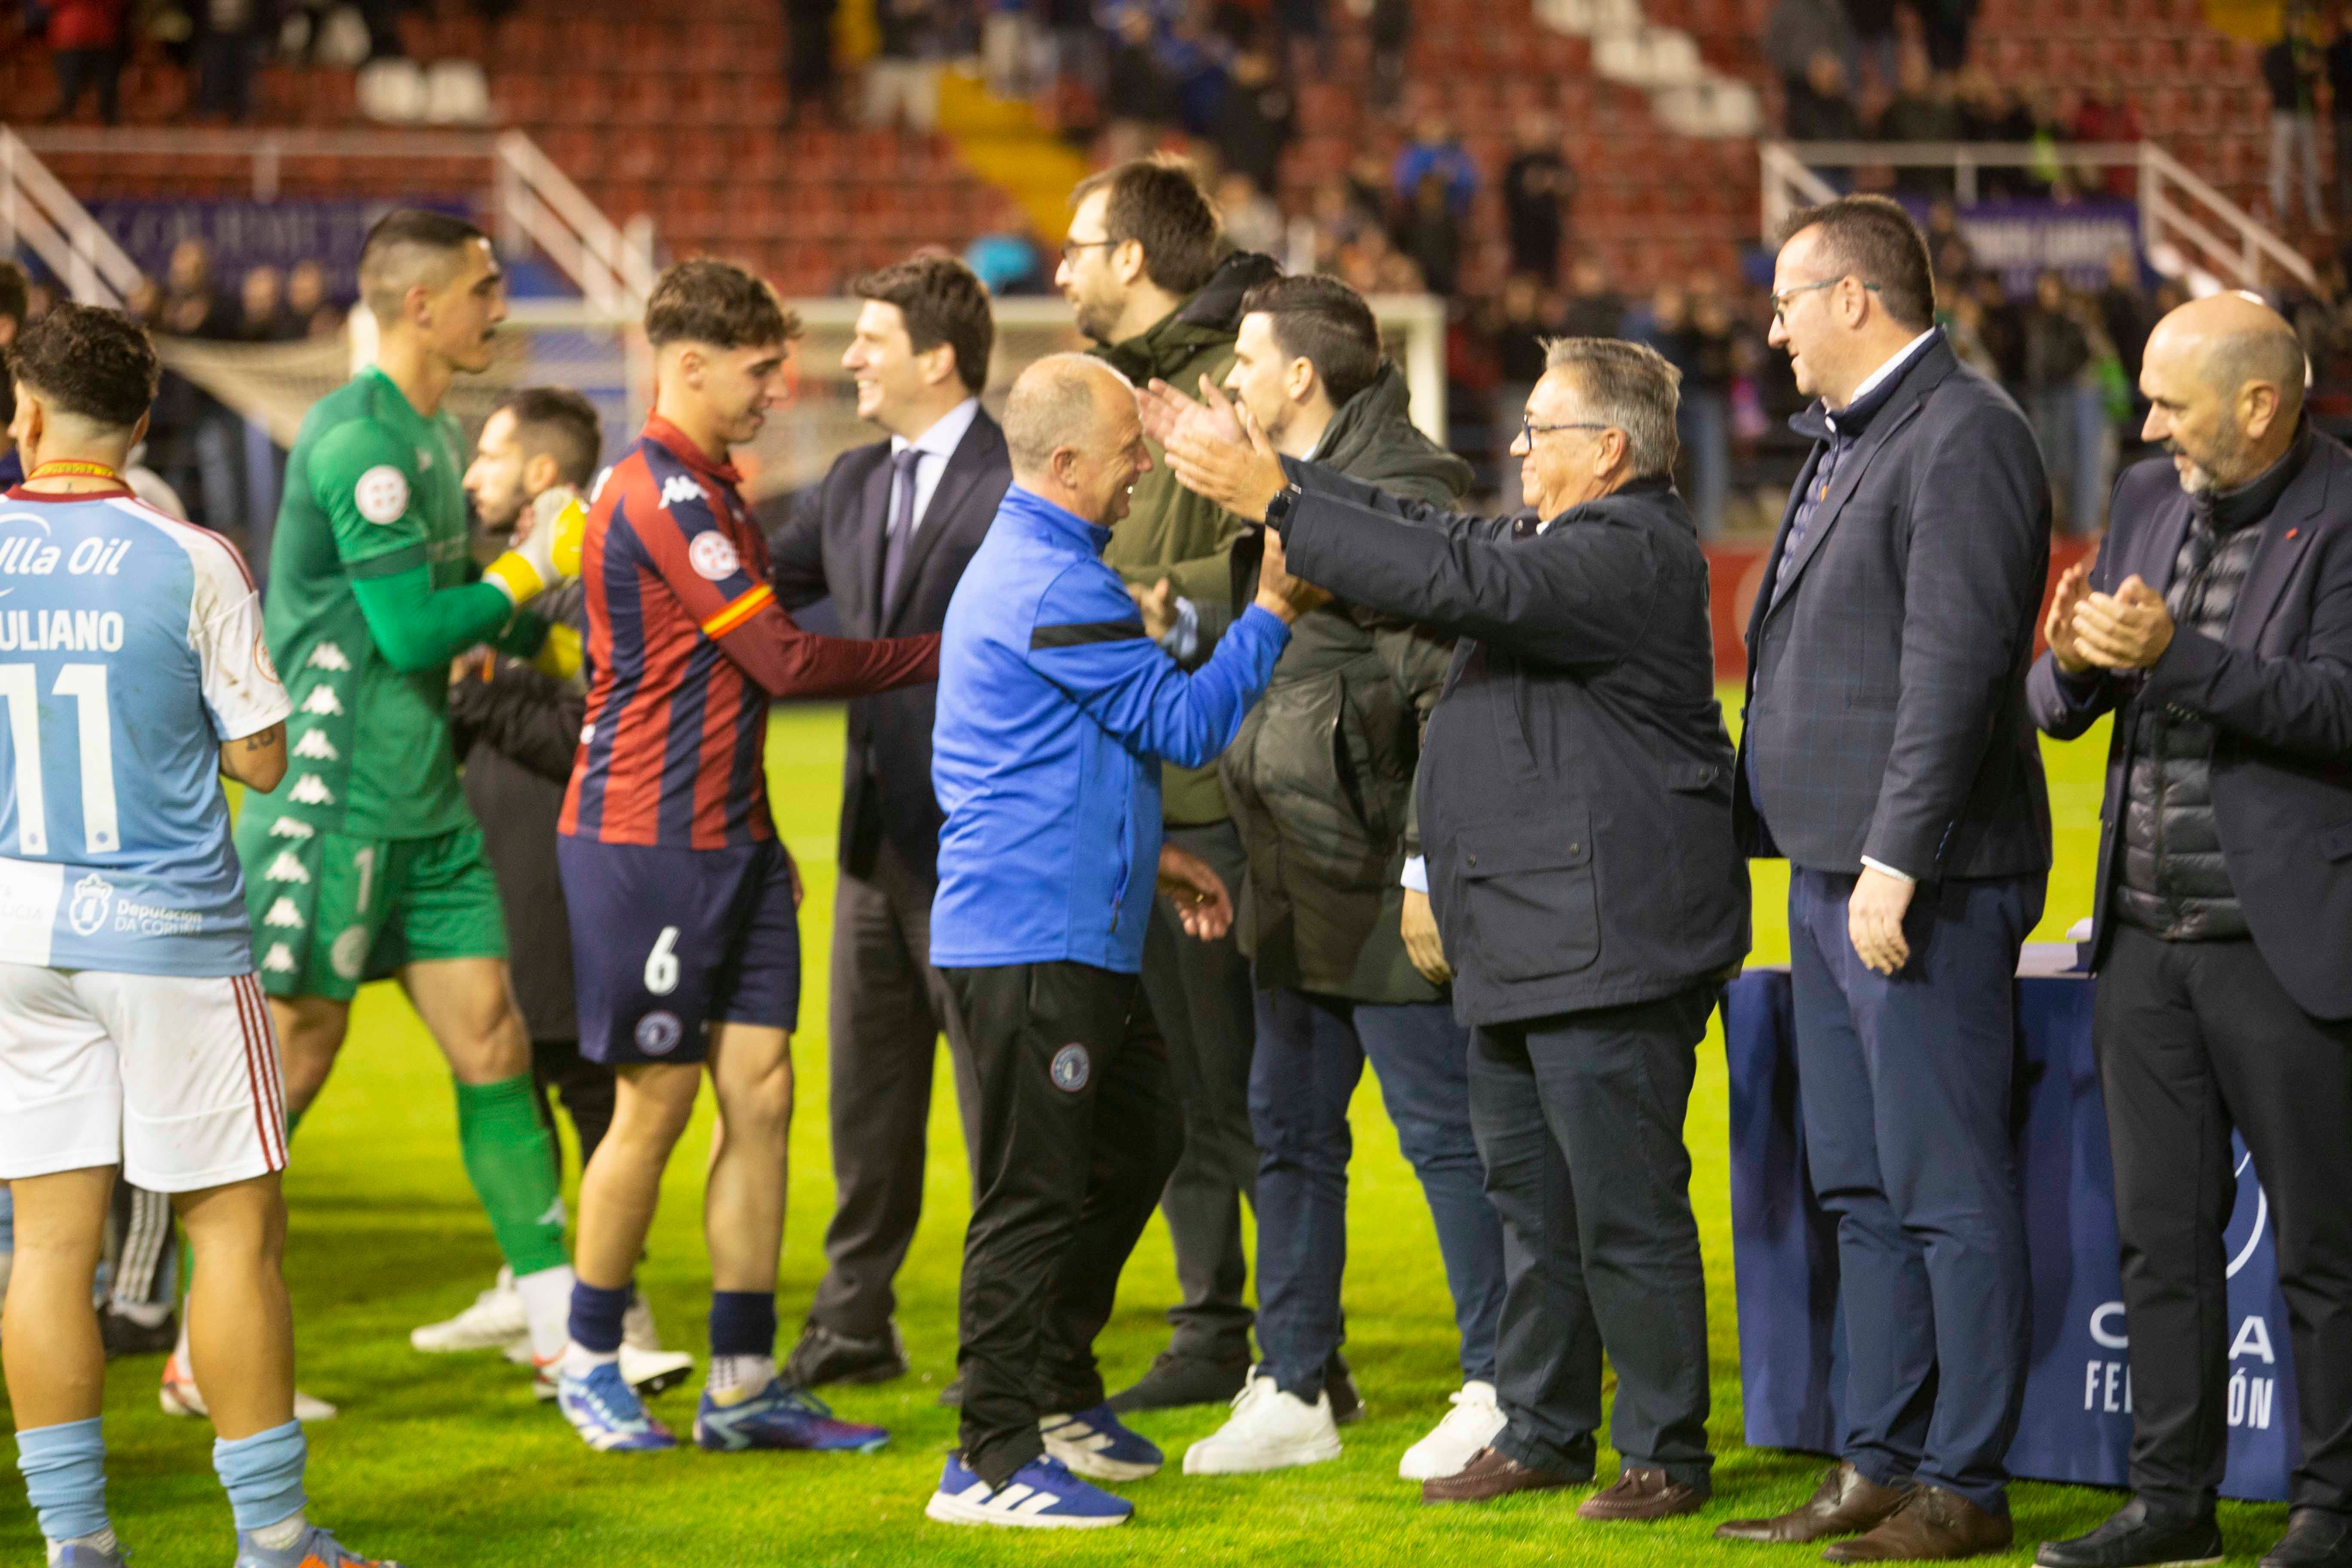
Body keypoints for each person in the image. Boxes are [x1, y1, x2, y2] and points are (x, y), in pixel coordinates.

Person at [1155, 335, 1748, 1521]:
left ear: (1611, 450)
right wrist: (1284, 480)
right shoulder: (1550, 542)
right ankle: (1543, 1428)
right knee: (1531, 1206)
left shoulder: (1634, 549)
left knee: (1623, 1206)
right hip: (1527, 932)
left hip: (1606, 937)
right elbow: (1450, 549)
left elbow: (1474, 585)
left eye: (1542, 428)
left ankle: (1664, 1452)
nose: (1519, 446)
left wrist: (1275, 493)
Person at [0, 301, 393, 1568]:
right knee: (234, 1234)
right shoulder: (188, 553)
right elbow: (263, 758)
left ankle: (76, 1546)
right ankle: (275, 1541)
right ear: (146, 418)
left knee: (50, 1241)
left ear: (27, 410)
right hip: (165, 928)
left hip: (17, 930)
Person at [921, 353, 1320, 1529]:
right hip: (1034, 939)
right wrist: (1274, 613)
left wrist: (1155, 862)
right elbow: (1187, 721)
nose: (1143, 469)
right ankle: (988, 1456)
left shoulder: (1047, 569)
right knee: (1032, 1193)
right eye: (1127, 452)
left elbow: (1063, 756)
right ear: (1066, 464)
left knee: (1143, 1133)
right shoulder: (1058, 585)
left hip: (1067, 921)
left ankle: (1049, 1388)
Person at [549, 258, 939, 1458]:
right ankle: (588, 1360)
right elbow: (779, 661)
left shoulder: (711, 488)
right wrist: (941, 650)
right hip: (646, 845)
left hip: (738, 842)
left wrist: (766, 842)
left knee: (760, 1098)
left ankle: (743, 1380)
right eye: (762, 369)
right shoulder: (659, 491)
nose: (781, 387)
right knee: (656, 1103)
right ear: (691, 364)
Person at [1721, 194, 2052, 1561]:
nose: (1777, 326)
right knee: (1858, 1185)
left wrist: (1896, 860)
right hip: (1829, 870)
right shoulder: (1858, 436)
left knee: (1945, 1187)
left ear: (1857, 298)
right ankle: (1878, 1461)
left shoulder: (1965, 434)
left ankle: (1964, 1484)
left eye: (1791, 299)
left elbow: (1954, 672)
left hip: (1916, 879)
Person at [220, 210, 589, 1420]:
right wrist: (527, 570)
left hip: (422, 804)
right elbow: (411, 633)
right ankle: (193, 1345)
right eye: (486, 289)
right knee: (293, 1065)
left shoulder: (431, 436)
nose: (501, 307)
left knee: (490, 1042)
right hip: (333, 807)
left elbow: (450, 613)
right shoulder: (358, 442)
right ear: (422, 305)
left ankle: (560, 1339)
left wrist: (541, 606)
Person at [1140, 277, 1508, 1485]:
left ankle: (1500, 1383)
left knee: (1446, 1138)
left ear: (1303, 374)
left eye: (1247, 357)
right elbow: (1287, 632)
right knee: (1289, 1133)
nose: (1229, 377)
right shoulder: (1277, 475)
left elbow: (1441, 688)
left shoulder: (1401, 486)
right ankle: (1295, 1383)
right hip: (1288, 866)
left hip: (1374, 871)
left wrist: (1421, 868)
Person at [2028, 294, 2352, 1568]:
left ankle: (2333, 1509)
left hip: (2287, 940)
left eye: (2171, 400)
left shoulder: (2345, 514)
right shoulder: (2149, 498)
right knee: (2157, 1239)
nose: (2146, 420)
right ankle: (2173, 1503)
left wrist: (2176, 655)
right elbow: (2066, 707)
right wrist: (2069, 658)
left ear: (2262, 404)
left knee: (2325, 1246)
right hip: (2144, 936)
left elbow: (2338, 708)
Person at [1054, 154, 1289, 1417]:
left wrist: (1137, 611)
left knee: (1239, 1086)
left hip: (1217, 792)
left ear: (1133, 261)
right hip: (1149, 793)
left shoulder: (1220, 395)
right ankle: (1220, 1325)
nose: (1061, 269)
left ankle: (1283, 1347)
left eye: (1079, 246)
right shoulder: (1137, 391)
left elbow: (1279, 569)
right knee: (1184, 1084)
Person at [408, 388, 695, 1400]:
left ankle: (617, 1314)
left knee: (574, 1068)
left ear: (539, 472)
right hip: (495, 844)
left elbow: (593, 724)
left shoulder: (588, 566)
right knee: (509, 1061)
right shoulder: (508, 571)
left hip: (560, 852)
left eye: (488, 456)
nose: (471, 474)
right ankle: (524, 1280)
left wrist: (472, 692)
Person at [763, 257, 1011, 1390]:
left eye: (869, 339)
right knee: (867, 1106)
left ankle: (1004, 1338)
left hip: (986, 847)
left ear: (936, 358)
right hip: (871, 845)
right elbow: (756, 581)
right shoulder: (857, 481)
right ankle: (854, 1321)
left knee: (998, 1112)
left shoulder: (1018, 478)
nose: (850, 358)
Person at [2265, 11, 2327, 229]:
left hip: (2306, 114)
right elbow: (2275, 81)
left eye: (2302, 21)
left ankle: (2314, 212)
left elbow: (2318, 76)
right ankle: (2279, 213)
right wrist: (2297, 70)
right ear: (2288, 23)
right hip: (2284, 113)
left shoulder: (2310, 49)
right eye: (2296, 21)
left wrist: (2311, 71)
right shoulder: (2277, 51)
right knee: (2280, 165)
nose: (2299, 26)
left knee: (2311, 165)